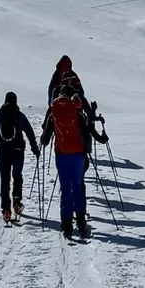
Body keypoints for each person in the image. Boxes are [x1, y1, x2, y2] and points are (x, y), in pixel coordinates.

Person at [41, 79, 94, 241]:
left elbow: (45, 137)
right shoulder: (77, 112)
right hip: (77, 155)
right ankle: (81, 222)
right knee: (77, 187)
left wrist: (43, 142)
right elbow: (86, 134)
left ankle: (66, 225)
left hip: (61, 154)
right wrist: (87, 150)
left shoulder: (54, 111)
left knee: (65, 188)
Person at [0, 91, 39, 223]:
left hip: (3, 152)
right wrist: (34, 148)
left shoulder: (0, 115)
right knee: (17, 176)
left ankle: (6, 209)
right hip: (18, 151)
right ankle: (16, 202)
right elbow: (30, 132)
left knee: (5, 180)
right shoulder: (19, 116)